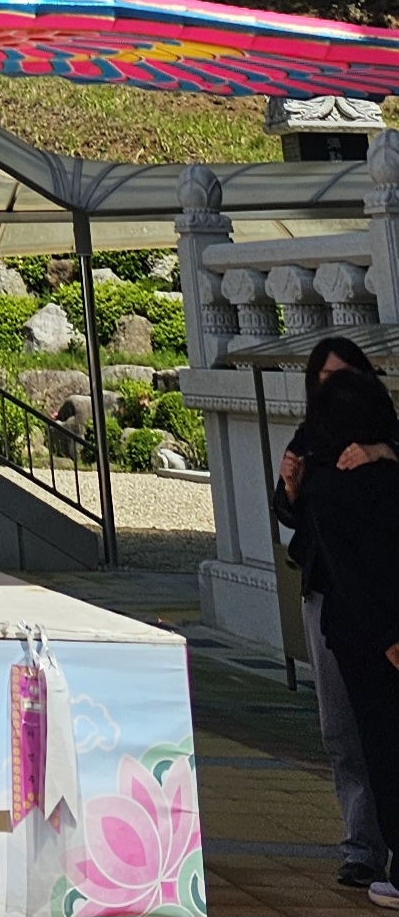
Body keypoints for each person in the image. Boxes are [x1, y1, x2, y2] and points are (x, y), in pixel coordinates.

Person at [276, 335, 399, 889]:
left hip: (377, 601)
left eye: (345, 373)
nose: (336, 385)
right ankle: (362, 843)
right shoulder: (311, 439)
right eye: (325, 377)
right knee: (343, 729)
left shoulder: (384, 429)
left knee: (383, 728)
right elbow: (289, 513)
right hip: (329, 594)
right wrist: (291, 486)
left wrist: (383, 454)